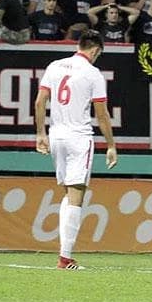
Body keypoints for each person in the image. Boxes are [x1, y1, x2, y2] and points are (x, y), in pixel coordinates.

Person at [33, 31, 119, 270]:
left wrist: (40, 133)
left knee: (68, 195)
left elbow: (40, 102)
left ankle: (64, 254)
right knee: (76, 196)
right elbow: (101, 114)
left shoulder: (55, 66)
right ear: (95, 50)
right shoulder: (92, 74)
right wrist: (111, 145)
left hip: (56, 136)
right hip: (79, 137)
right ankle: (65, 258)